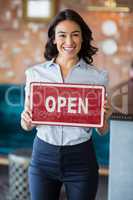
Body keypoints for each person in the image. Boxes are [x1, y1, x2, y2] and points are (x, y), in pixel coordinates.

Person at [21, 9, 112, 200]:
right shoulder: (35, 75)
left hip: (81, 159)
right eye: (62, 35)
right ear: (54, 39)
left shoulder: (98, 77)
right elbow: (27, 124)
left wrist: (105, 118)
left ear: (82, 38)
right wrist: (26, 121)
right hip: (43, 157)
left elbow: (102, 130)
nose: (69, 42)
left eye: (75, 35)